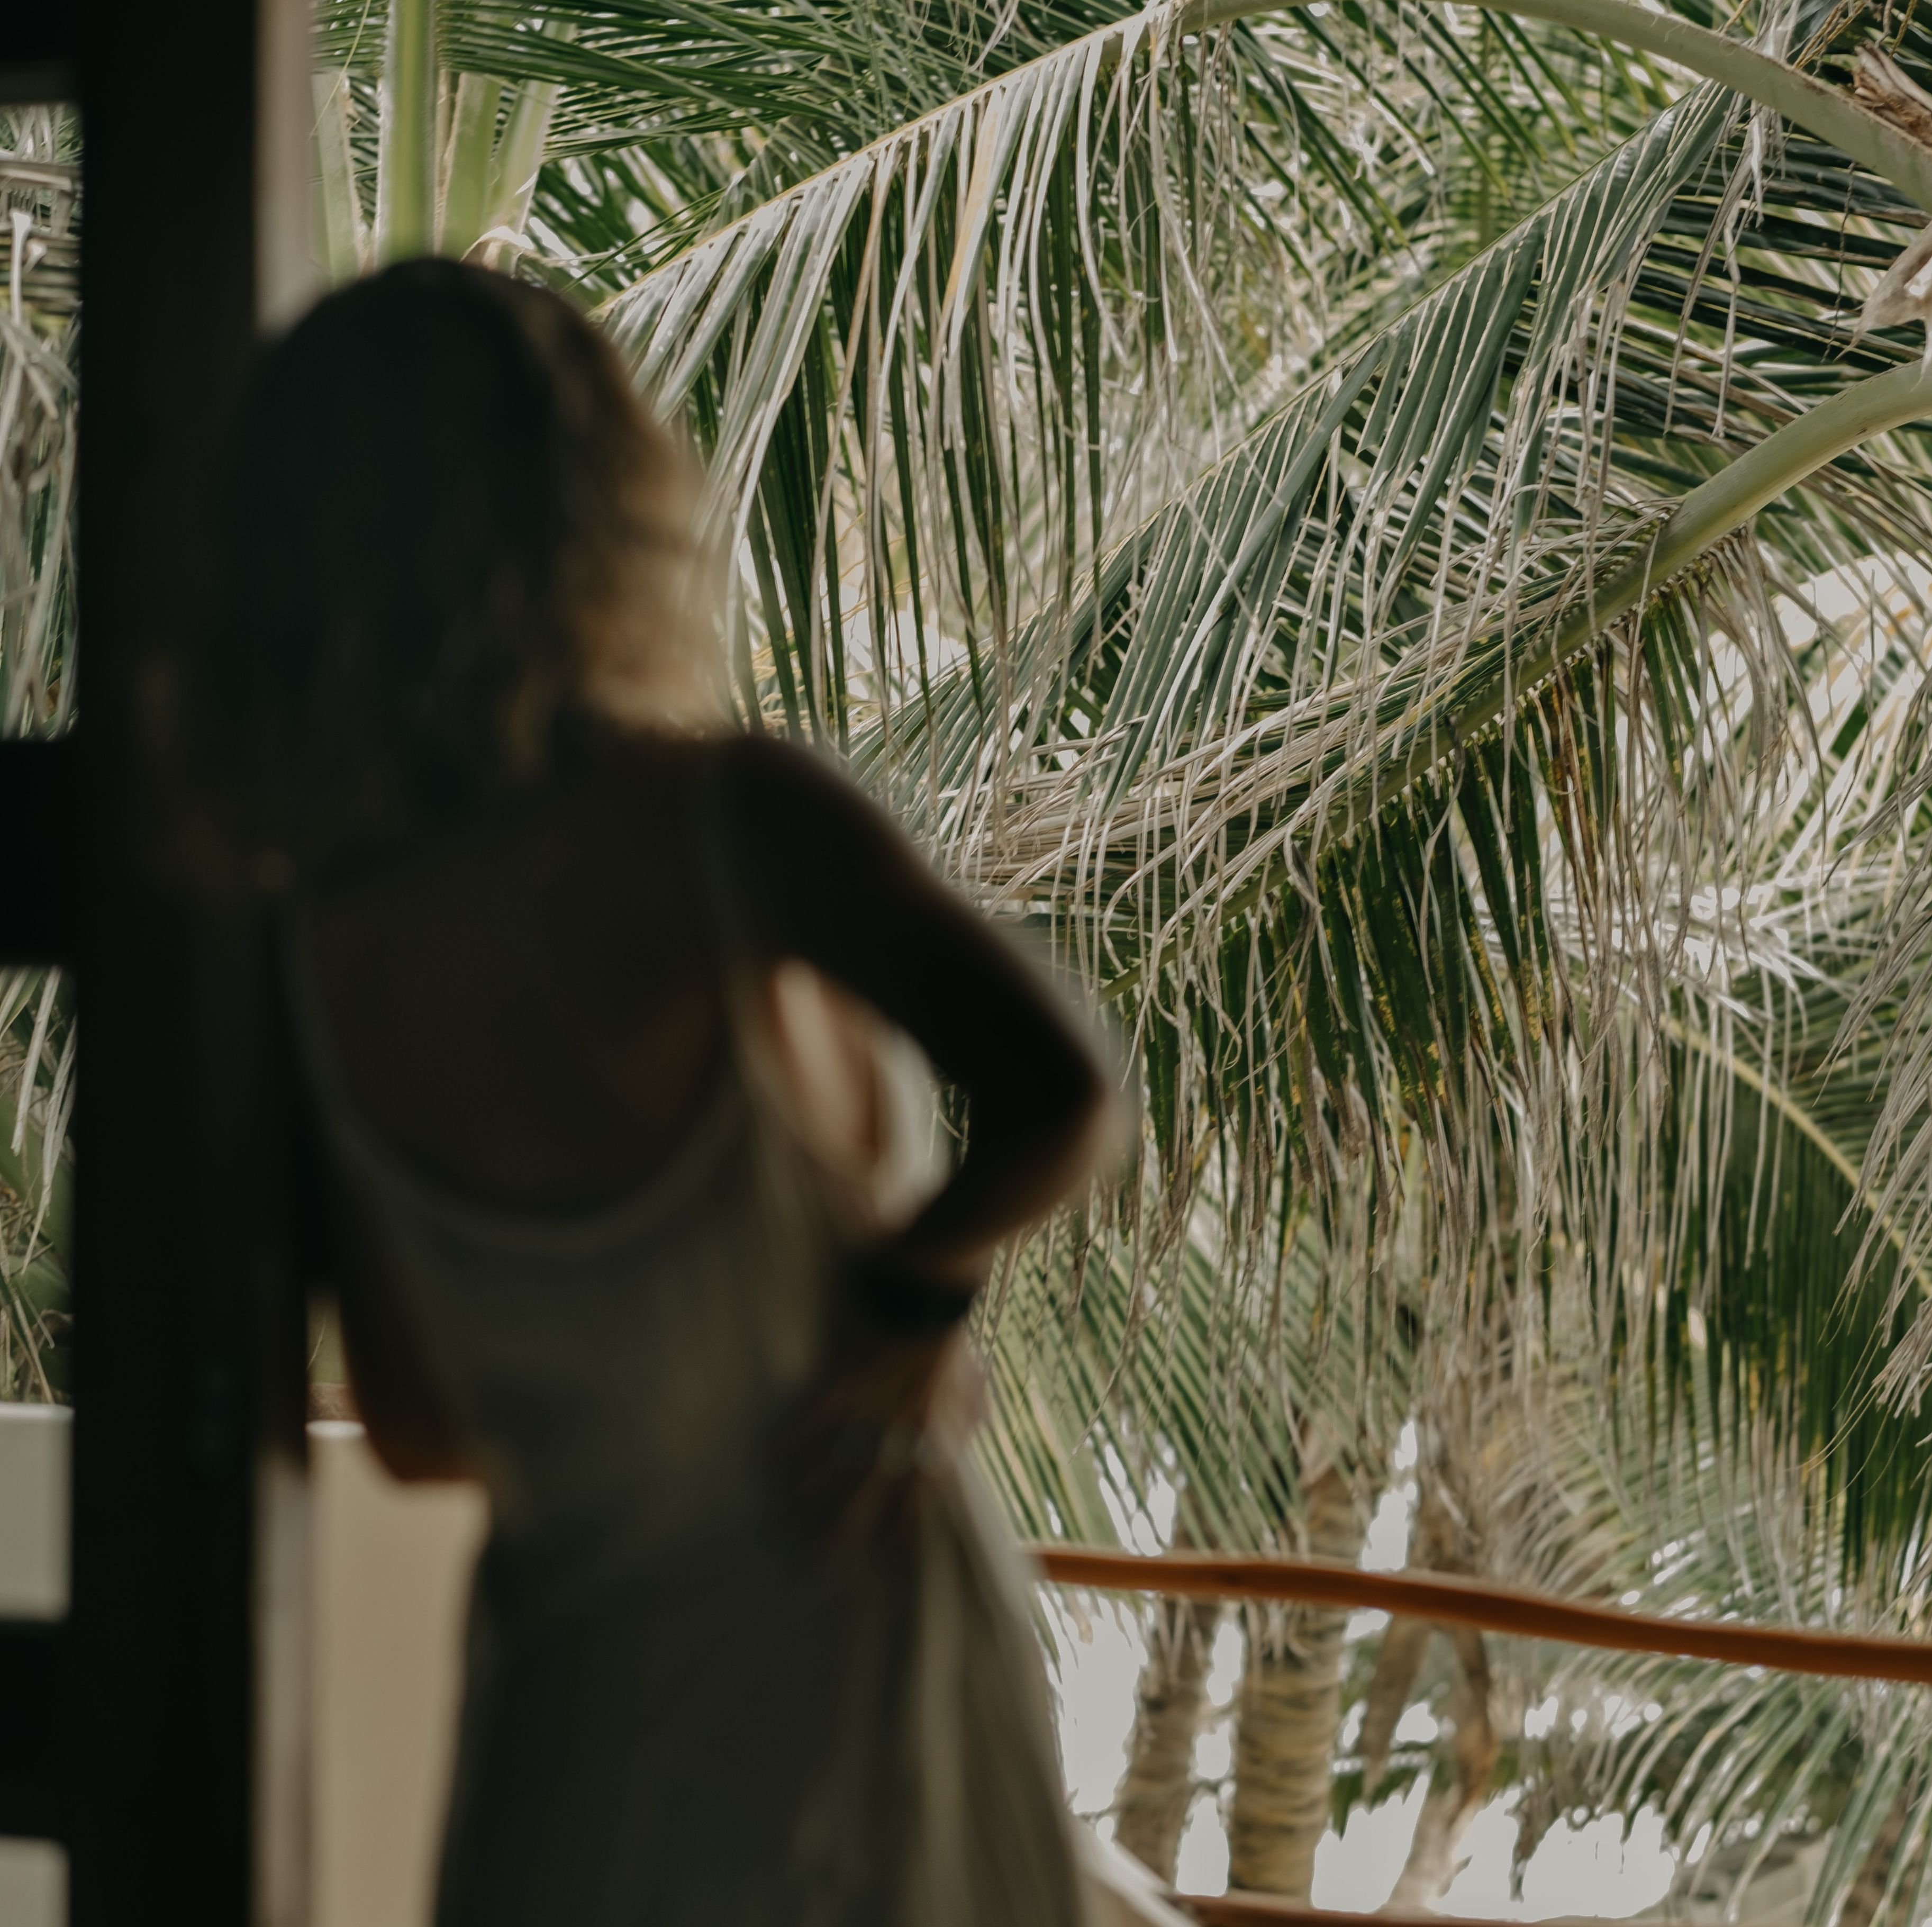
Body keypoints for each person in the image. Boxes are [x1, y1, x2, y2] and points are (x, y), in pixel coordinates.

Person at [195, 259, 1119, 1927]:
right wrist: (912, 1299)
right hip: (850, 1686)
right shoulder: (725, 822)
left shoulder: (302, 954)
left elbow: (417, 1426)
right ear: (591, 513)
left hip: (576, 1743)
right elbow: (1061, 1083)